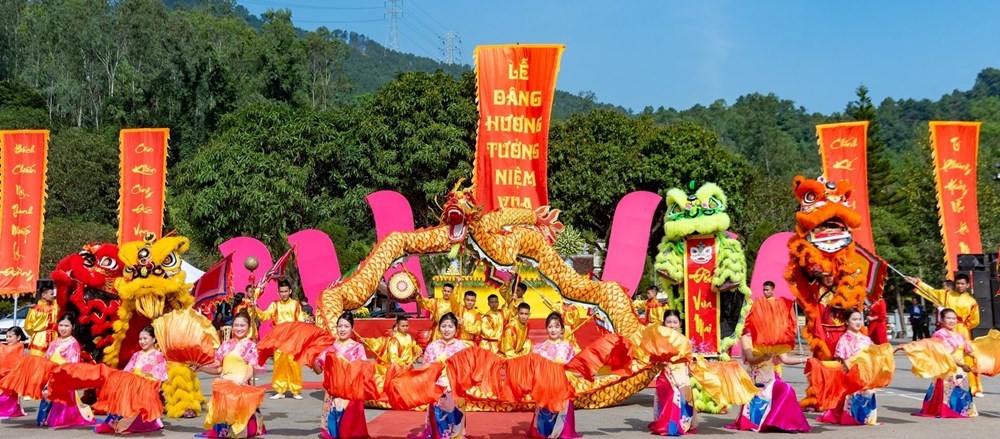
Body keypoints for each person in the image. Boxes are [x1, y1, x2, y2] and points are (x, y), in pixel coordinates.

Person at [906, 274, 982, 397]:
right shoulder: (946, 294)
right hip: (946, 330)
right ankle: (944, 384)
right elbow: (930, 292)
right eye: (958, 283)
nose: (960, 286)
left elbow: (975, 320)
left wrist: (963, 326)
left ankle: (974, 387)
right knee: (946, 355)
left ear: (967, 285)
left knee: (967, 357)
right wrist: (917, 283)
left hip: (962, 329)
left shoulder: (971, 301)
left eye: (962, 283)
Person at [194, 311, 267, 437]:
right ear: (232, 326)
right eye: (236, 325)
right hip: (224, 387)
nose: (239, 328)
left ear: (249, 327)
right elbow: (219, 369)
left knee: (239, 427)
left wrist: (242, 382)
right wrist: (201, 368)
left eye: (242, 325)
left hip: (240, 387)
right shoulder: (226, 345)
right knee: (222, 422)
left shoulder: (250, 346)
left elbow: (250, 369)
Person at [728, 321, 810, 432]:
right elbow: (751, 360)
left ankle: (784, 424)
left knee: (787, 390)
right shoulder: (746, 338)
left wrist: (803, 360)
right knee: (756, 417)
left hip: (771, 379)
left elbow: (785, 359)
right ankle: (769, 423)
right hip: (754, 382)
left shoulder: (773, 339)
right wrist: (763, 357)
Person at [96, 325, 168, 434]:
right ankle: (115, 418)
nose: (142, 341)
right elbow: (127, 373)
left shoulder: (159, 356)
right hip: (132, 390)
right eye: (140, 339)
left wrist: (143, 379)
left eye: (145, 338)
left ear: (153, 339)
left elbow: (159, 379)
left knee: (126, 426)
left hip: (146, 393)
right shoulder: (136, 355)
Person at [912, 308, 977, 418]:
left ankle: (962, 410)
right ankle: (948, 409)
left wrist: (980, 357)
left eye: (954, 318)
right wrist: (961, 365)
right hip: (947, 369)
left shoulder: (959, 335)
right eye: (948, 318)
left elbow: (968, 351)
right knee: (948, 390)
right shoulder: (939, 335)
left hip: (961, 369)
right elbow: (945, 354)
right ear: (941, 320)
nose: (952, 321)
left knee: (962, 390)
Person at [312, 312, 369, 439]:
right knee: (333, 431)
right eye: (340, 326)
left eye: (346, 326)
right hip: (333, 394)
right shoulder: (330, 348)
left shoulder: (358, 348)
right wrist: (312, 359)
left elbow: (364, 370)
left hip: (351, 394)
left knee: (348, 430)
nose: (342, 329)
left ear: (352, 328)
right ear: (336, 327)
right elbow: (318, 370)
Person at [818, 310, 879, 425]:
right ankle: (851, 416)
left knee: (869, 393)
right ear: (847, 322)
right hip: (852, 374)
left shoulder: (866, 339)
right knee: (853, 396)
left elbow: (874, 356)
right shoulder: (844, 340)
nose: (858, 322)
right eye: (854, 319)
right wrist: (855, 374)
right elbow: (845, 360)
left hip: (866, 373)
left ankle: (865, 417)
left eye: (859, 319)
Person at [37, 314, 97, 428]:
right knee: (43, 413)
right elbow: (46, 359)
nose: (63, 328)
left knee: (56, 417)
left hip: (63, 379)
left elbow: (72, 366)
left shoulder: (73, 343)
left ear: (73, 327)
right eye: (61, 325)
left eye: (66, 326)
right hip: (50, 377)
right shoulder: (55, 342)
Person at [415, 313, 469, 438]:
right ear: (439, 328)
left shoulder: (461, 347)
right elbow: (425, 367)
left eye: (450, 326)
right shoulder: (432, 347)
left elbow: (466, 369)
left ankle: (456, 436)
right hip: (437, 388)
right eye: (443, 326)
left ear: (456, 329)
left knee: (456, 416)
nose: (447, 330)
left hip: (455, 388)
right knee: (438, 417)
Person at [254, 279, 308, 400]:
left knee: (294, 365)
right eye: (281, 291)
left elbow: (300, 322)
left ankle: (296, 390)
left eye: (285, 291)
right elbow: (264, 316)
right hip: (279, 340)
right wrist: (256, 308)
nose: (283, 294)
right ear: (278, 292)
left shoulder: (295, 304)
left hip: (292, 340)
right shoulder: (275, 305)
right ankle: (280, 390)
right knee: (279, 364)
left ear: (290, 291)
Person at [528, 312, 580, 438]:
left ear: (562, 329)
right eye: (550, 327)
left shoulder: (567, 347)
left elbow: (571, 366)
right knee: (544, 419)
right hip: (544, 387)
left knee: (560, 418)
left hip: (560, 386)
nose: (553, 330)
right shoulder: (539, 348)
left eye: (556, 327)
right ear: (546, 328)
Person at [649, 310, 695, 436]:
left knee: (683, 398)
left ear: (680, 324)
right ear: (664, 323)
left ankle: (681, 423)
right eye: (668, 322)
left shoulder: (685, 341)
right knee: (672, 397)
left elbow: (689, 360)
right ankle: (669, 424)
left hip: (681, 375)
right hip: (666, 375)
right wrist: (660, 363)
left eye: (675, 322)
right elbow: (653, 361)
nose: (672, 325)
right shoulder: (659, 340)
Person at [24, 279, 59, 357]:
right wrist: (37, 334)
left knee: (54, 359)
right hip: (40, 338)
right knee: (38, 359)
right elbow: (28, 327)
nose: (53, 295)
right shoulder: (35, 309)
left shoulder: (55, 306)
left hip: (54, 336)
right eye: (51, 294)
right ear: (43, 295)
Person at [0, 326, 27, 418]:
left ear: (18, 337)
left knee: (6, 397)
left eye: (10, 337)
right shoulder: (14, 347)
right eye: (7, 337)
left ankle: (9, 411)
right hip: (6, 377)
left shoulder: (17, 348)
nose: (7, 339)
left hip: (11, 378)